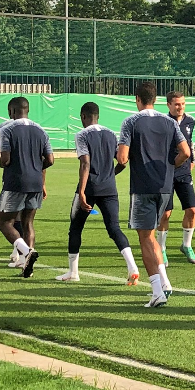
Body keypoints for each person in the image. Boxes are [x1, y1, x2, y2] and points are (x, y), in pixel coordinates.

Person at [117, 82, 191, 308]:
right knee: (151, 236)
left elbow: (122, 158)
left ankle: (157, 290)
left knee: (145, 238)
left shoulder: (130, 122)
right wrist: (170, 166)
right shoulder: (170, 122)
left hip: (143, 186)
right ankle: (165, 283)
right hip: (165, 186)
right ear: (156, 99)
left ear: (137, 99)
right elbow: (185, 152)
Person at [56, 102, 141, 284]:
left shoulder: (82, 135)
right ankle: (132, 266)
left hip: (90, 187)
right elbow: (122, 161)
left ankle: (73, 272)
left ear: (83, 116)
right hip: (109, 188)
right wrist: (110, 175)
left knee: (75, 228)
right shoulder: (110, 134)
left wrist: (81, 191)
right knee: (114, 228)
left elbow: (85, 164)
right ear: (98, 116)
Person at [0, 96, 54, 278]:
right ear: (27, 110)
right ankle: (27, 267)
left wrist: (4, 164)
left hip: (15, 182)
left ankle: (27, 252)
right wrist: (36, 168)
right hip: (36, 183)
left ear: (12, 111)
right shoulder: (41, 130)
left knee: (5, 223)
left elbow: (5, 159)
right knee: (28, 223)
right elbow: (50, 160)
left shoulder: (7, 129)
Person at [158, 91, 195, 265]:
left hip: (184, 172)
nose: (180, 107)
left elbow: (189, 142)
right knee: (165, 213)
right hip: (167, 172)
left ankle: (186, 245)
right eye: (176, 104)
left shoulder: (190, 121)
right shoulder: (162, 122)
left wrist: (193, 160)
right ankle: (161, 248)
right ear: (168, 105)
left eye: (182, 103)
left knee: (192, 210)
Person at [0, 100, 27, 267]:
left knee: (8, 219)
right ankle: (20, 254)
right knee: (26, 220)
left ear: (11, 111)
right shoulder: (36, 128)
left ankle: (24, 252)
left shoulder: (4, 127)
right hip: (33, 180)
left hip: (13, 179)